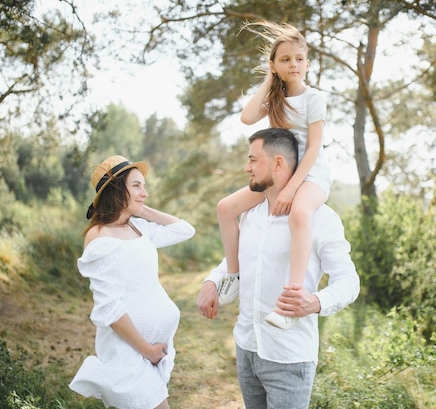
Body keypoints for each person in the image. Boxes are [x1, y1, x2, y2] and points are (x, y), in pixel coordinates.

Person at [199, 128, 359, 409]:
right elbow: (237, 258)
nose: (246, 168)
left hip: (289, 356)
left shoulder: (321, 219)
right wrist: (212, 281)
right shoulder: (249, 214)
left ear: (278, 163)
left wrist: (315, 302)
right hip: (246, 347)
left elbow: (348, 280)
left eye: (253, 160)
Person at [216, 22, 332, 330]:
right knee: (225, 208)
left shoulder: (314, 98)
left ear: (307, 63)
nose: (293, 64)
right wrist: (269, 79)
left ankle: (291, 300)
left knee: (299, 215)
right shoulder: (275, 100)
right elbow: (246, 117)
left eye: (298, 58)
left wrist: (291, 190)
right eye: (285, 60)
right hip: (281, 175)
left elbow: (314, 149)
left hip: (310, 173)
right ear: (275, 65)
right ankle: (234, 274)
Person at [69, 155, 195, 409]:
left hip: (152, 351)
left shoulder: (138, 228)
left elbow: (185, 230)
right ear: (116, 190)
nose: (144, 192)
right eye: (136, 186)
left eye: (144, 186)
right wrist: (146, 350)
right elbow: (110, 309)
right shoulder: (100, 237)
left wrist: (141, 208)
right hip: (128, 351)